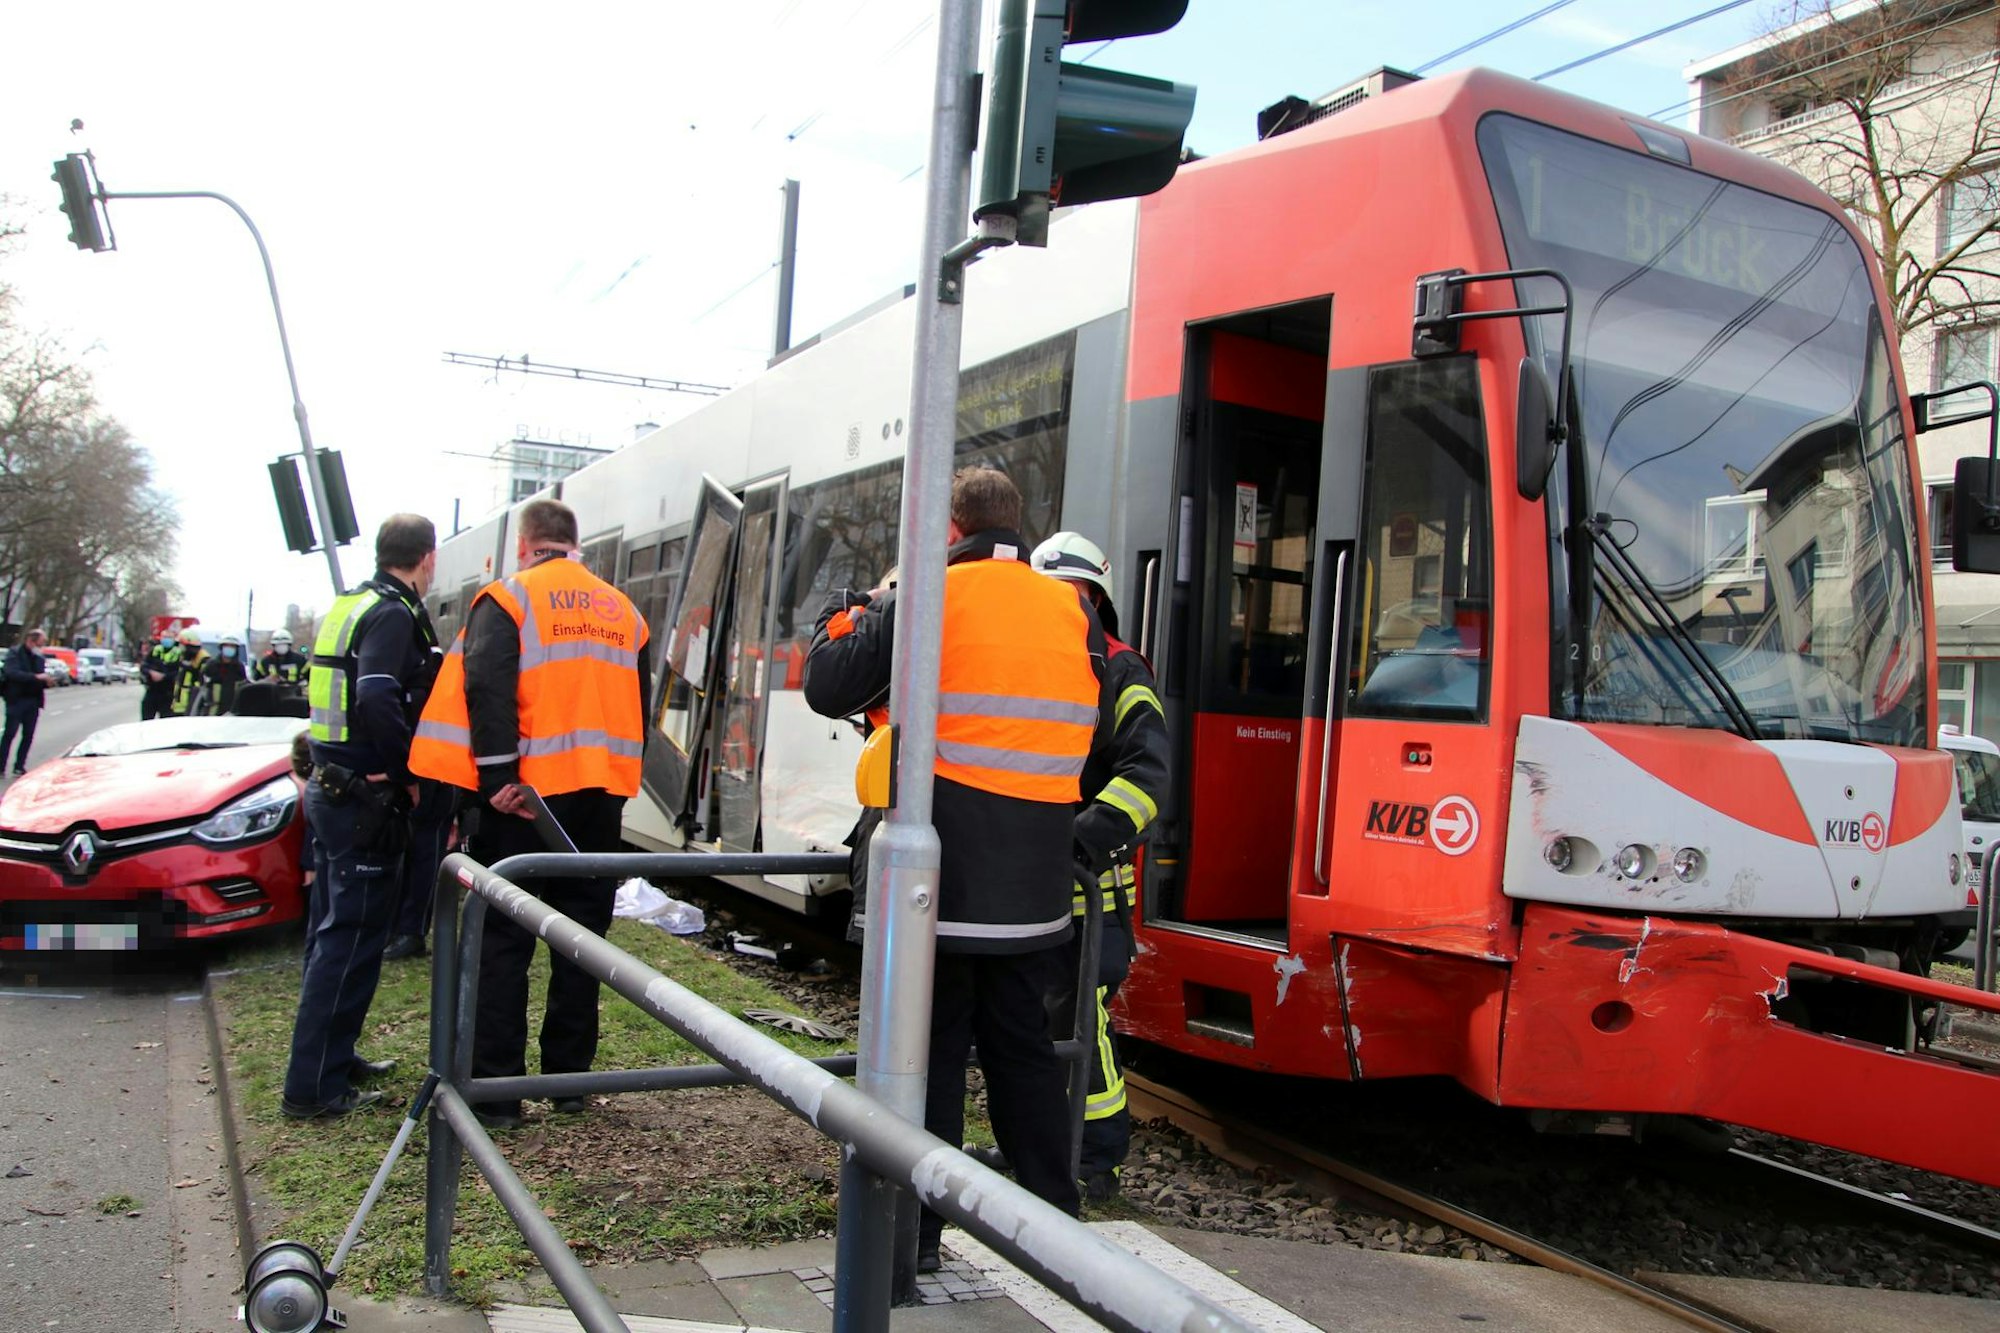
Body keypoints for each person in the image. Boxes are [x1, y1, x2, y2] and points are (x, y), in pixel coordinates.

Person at [803, 467, 1103, 1272]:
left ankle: (913, 1240)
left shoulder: (931, 596)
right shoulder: (1070, 607)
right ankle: (1056, 1229)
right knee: (1023, 1051)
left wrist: (844, 612)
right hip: (1033, 887)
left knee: (927, 1053)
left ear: (949, 529)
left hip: (941, 879)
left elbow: (829, 685)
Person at [410, 498, 650, 1130]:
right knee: (583, 940)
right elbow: (640, 702)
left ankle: (497, 1093)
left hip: (525, 800)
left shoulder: (509, 597)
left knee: (503, 937)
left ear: (524, 545)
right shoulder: (623, 611)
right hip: (600, 798)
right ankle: (569, 1082)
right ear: (574, 542)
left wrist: (496, 778)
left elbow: (486, 687)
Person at [278, 514, 441, 1119]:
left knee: (333, 937)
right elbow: (375, 694)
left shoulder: (352, 602)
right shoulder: (393, 613)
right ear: (427, 558)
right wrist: (407, 772)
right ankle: (314, 1089)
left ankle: (334, 1059)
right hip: (361, 800)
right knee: (348, 943)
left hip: (333, 787)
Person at [1029, 531, 1169, 1203]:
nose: (1063, 605)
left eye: (1073, 594)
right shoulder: (1024, 660)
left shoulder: (1120, 670)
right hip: (1022, 886)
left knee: (1078, 1023)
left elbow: (1147, 775)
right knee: (1036, 1023)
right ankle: (1050, 1148)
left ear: (1095, 599)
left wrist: (1079, 841)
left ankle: (1094, 1161)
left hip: (1089, 895)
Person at [1, 629, 53, 776]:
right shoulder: (15, 654)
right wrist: (36, 677)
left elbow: (40, 677)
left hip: (33, 701)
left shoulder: (39, 657)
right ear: (31, 641)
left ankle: (19, 766)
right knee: (9, 734)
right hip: (16, 700)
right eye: (40, 643)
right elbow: (12, 673)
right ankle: (1, 765)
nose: (42, 647)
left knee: (28, 735)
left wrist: (46, 682)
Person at [202, 635, 250, 715]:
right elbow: (204, 685)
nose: (229, 649)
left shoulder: (239, 667)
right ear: (221, 648)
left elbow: (243, 685)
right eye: (227, 646)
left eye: (232, 647)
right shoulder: (211, 665)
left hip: (232, 710)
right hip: (212, 710)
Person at [141, 630, 182, 721]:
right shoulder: (155, 651)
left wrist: (164, 676)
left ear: (174, 639)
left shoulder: (179, 653)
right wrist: (151, 673)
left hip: (168, 693)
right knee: (146, 721)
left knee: (166, 722)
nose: (167, 639)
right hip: (152, 691)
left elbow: (179, 672)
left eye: (169, 637)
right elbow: (144, 666)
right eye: (165, 637)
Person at [171, 629, 209, 717]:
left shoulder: (203, 659)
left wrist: (189, 668)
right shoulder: (184, 656)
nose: (180, 647)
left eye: (181, 645)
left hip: (192, 705)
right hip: (179, 704)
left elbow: (202, 682)